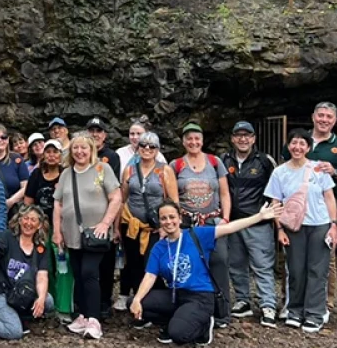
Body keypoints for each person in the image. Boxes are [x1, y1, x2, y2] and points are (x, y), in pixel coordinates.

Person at [129, 201, 283, 346]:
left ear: (179, 218)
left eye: (172, 217)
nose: (168, 222)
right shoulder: (160, 247)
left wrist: (259, 217)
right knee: (134, 303)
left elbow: (230, 228)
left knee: (178, 334)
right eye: (164, 218)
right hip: (175, 294)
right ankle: (178, 318)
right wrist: (137, 299)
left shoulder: (197, 235)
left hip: (199, 296)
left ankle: (203, 326)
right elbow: (150, 276)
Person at [283, 102, 337, 312]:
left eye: (329, 116)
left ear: (335, 121)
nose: (324, 119)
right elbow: (284, 168)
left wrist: (335, 172)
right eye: (321, 115)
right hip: (295, 208)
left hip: (326, 208)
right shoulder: (297, 140)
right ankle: (290, 302)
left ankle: (325, 303)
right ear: (313, 117)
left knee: (327, 257)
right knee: (293, 256)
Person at [267, 129, 337, 334]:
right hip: (293, 227)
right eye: (294, 143)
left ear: (308, 147)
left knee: (317, 270)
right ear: (288, 145)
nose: (297, 147)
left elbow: (329, 197)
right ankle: (295, 311)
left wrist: (333, 225)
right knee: (295, 269)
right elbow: (275, 202)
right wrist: (279, 229)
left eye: (302, 144)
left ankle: (315, 314)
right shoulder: (279, 172)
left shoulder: (318, 169)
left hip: (320, 224)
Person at [53, 132, 121, 339]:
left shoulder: (102, 169)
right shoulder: (66, 173)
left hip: (95, 233)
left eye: (84, 147)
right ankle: (82, 315)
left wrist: (106, 223)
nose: (79, 151)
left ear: (91, 150)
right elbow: (58, 204)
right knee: (78, 273)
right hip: (72, 233)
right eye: (76, 147)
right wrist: (57, 231)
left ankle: (94, 319)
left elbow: (116, 197)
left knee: (89, 272)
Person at [172, 123, 232, 326]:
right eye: (189, 139)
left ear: (202, 140)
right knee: (191, 265)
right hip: (187, 224)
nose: (193, 142)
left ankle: (222, 311)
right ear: (183, 142)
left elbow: (224, 193)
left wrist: (226, 218)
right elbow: (171, 196)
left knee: (219, 262)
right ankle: (193, 310)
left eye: (197, 138)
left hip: (213, 222)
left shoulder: (215, 162)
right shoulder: (176, 165)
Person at [0, 205, 53, 340]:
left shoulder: (40, 248)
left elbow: (42, 276)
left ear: (39, 225)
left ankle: (19, 317)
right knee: (14, 332)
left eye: (33, 220)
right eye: (26, 218)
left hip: (20, 293)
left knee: (47, 301)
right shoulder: (7, 237)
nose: (28, 223)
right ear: (20, 220)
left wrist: (40, 298)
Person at [220, 121, 278, 327]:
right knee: (235, 264)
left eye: (247, 135)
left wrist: (271, 215)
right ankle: (243, 300)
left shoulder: (265, 161)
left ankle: (268, 305)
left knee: (262, 265)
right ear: (232, 138)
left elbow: (276, 189)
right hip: (234, 222)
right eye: (238, 135)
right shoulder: (223, 160)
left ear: (254, 139)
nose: (243, 139)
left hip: (258, 222)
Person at [115, 132, 178, 316]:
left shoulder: (165, 171)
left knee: (152, 265)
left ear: (157, 150)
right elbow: (122, 199)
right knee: (133, 265)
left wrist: (168, 227)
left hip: (155, 228)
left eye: (152, 146)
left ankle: (159, 304)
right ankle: (140, 308)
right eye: (143, 145)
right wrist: (116, 227)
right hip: (132, 224)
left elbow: (173, 201)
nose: (147, 149)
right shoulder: (130, 170)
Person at [23, 139, 72, 322]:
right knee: (45, 266)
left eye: (55, 152)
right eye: (48, 152)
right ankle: (47, 302)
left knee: (64, 266)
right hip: (40, 228)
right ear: (43, 155)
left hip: (63, 226)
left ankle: (64, 307)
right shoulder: (36, 175)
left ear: (61, 155)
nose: (52, 155)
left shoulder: (67, 175)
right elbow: (28, 202)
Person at [86, 117, 122, 316]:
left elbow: (115, 191)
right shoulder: (81, 153)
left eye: (98, 131)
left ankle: (105, 301)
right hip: (86, 215)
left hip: (106, 213)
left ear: (105, 135)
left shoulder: (111, 157)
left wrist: (115, 226)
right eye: (91, 131)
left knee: (106, 263)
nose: (95, 134)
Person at [0, 124, 29, 211]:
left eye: (3, 137)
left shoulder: (17, 159)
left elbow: (26, 186)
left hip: (13, 208)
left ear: (8, 140)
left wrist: (10, 201)